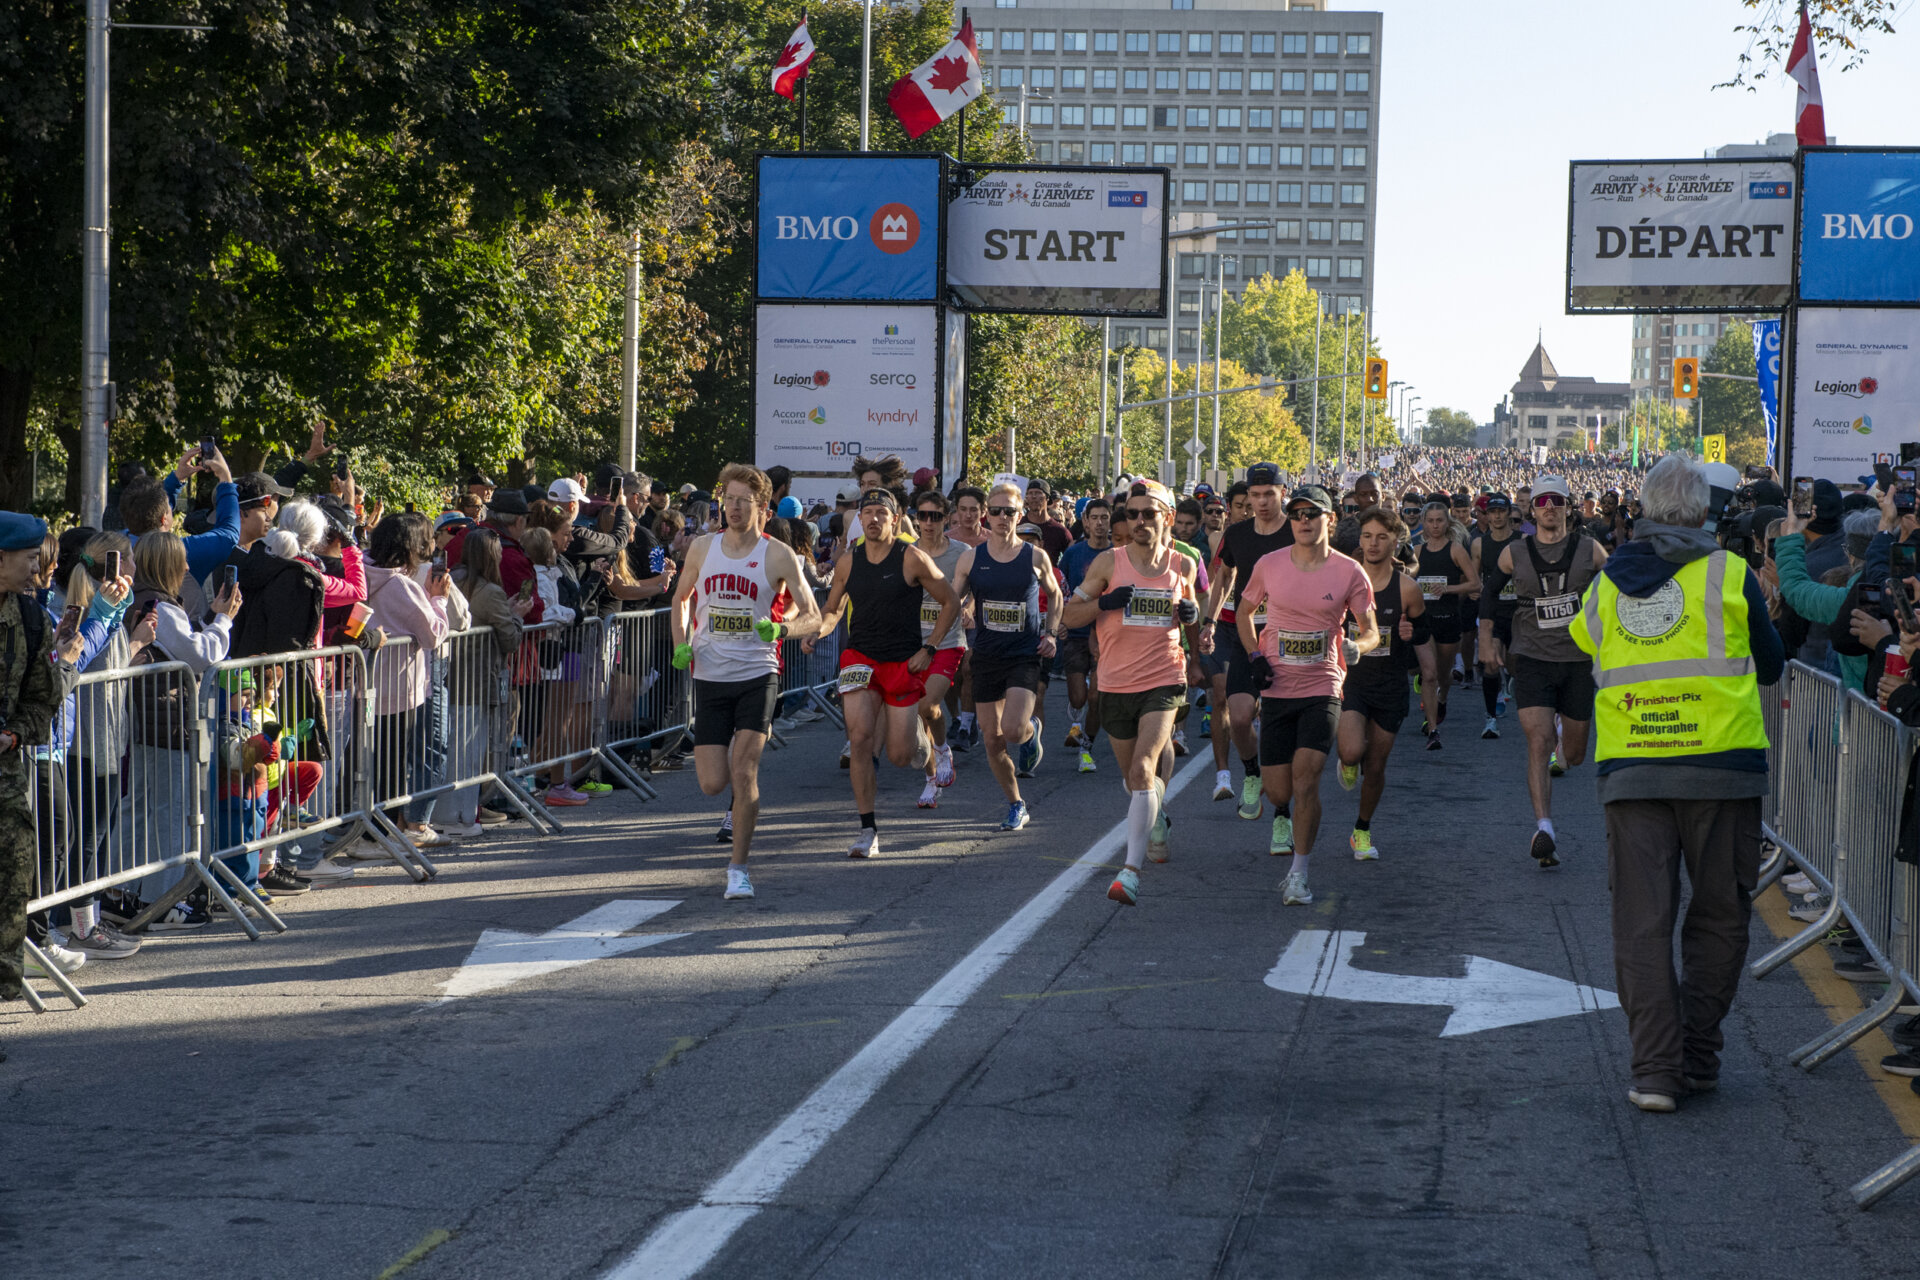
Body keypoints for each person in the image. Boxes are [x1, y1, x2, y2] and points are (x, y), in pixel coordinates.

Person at [1571, 453, 1783, 1113]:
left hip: (1634, 770)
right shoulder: (1730, 573)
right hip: (1721, 767)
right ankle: (1696, 1057)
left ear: (1644, 509)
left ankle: (1656, 1071)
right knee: (1719, 917)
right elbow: (1771, 665)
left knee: (1641, 924)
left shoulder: (1606, 584)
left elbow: (1586, 645)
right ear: (1702, 512)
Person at [671, 465, 824, 898]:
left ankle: (738, 869)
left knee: (744, 771)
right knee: (712, 783)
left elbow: (812, 615)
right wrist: (681, 642)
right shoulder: (702, 548)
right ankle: (736, 807)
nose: (734, 508)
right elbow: (680, 599)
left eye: (743, 501)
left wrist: (782, 630)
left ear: (762, 508)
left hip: (758, 673)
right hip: (710, 675)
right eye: (729, 499)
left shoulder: (778, 554)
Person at [1059, 481, 1206, 906]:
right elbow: (1069, 614)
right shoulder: (1109, 563)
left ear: (1167, 518)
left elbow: (1191, 616)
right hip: (1115, 682)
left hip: (1164, 677)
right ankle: (1156, 816)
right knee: (1134, 781)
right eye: (1133, 514)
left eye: (1149, 513)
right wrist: (1105, 604)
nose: (1139, 521)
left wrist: (1193, 626)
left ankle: (1130, 872)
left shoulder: (1183, 564)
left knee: (1143, 768)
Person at [1238, 484, 1377, 905]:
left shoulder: (1350, 571)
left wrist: (1359, 646)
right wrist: (1254, 655)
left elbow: (1370, 630)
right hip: (1278, 687)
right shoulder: (1270, 564)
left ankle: (1298, 874)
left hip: (1323, 685)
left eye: (1311, 514)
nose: (1302, 521)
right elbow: (1244, 612)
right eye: (1297, 514)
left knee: (1306, 780)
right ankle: (1280, 810)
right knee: (1280, 791)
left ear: (1329, 520)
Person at [804, 490, 958, 858]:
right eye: (867, 512)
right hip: (860, 659)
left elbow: (950, 601)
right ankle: (867, 830)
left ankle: (925, 743)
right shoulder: (849, 561)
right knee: (859, 738)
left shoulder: (912, 558)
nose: (873, 519)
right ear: (859, 519)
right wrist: (817, 631)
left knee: (901, 755)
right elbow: (833, 609)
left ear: (895, 519)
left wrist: (929, 648)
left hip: (902, 662)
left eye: (881, 513)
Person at [1500, 474, 1608, 869]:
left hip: (1578, 660)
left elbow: (1616, 591)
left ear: (1568, 507)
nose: (1549, 507)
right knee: (1538, 742)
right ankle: (1544, 828)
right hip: (1532, 657)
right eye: (1542, 501)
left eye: (1556, 501)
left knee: (1574, 755)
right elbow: (1491, 596)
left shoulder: (1591, 549)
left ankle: (1564, 734)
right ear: (1532, 509)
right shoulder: (1514, 552)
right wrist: (1489, 637)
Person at [2, 514, 83, 1028]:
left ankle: (5, 985)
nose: (38, 568)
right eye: (30, 557)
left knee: (15, 871)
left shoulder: (30, 618)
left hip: (5, 770)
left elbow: (43, 697)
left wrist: (14, 734)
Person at [949, 481, 1062, 831]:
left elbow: (1056, 596)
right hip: (986, 655)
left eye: (1009, 512)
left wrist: (1051, 633)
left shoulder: (1034, 556)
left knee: (1012, 730)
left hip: (1023, 654)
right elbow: (953, 599)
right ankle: (1016, 804)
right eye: (995, 511)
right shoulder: (972, 558)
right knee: (992, 739)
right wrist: (959, 612)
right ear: (987, 514)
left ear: (1019, 514)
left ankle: (1030, 732)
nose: (1002, 517)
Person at [1203, 462, 1294, 819]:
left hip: (1289, 636)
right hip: (1247, 634)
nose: (1262, 502)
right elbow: (1225, 574)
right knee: (1240, 717)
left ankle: (1282, 806)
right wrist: (1210, 621)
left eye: (1269, 494)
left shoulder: (1296, 531)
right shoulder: (1238, 533)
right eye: (1255, 495)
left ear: (1283, 493)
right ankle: (1252, 772)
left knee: (1277, 724)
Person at [1336, 507, 1426, 860]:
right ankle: (1347, 761)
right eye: (1367, 536)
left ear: (1395, 542)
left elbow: (1423, 636)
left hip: (1390, 685)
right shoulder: (1343, 580)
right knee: (1351, 751)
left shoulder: (1408, 588)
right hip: (1352, 681)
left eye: (1382, 537)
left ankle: (1361, 829)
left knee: (1375, 766)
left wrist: (1410, 634)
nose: (1373, 544)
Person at [907, 490, 965, 809]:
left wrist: (969, 607)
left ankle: (942, 747)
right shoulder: (907, 553)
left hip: (947, 641)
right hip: (910, 642)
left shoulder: (962, 552)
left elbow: (974, 588)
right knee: (918, 713)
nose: (929, 523)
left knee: (927, 704)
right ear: (916, 518)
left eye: (936, 516)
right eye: (923, 516)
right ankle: (931, 779)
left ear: (947, 518)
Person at [1412, 502, 1479, 749]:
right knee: (1429, 675)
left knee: (1443, 674)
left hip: (1449, 619)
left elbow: (1475, 584)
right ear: (1424, 523)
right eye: (1430, 521)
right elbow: (1406, 581)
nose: (1435, 525)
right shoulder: (1416, 551)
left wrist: (1447, 589)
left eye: (1439, 520)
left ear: (1447, 522)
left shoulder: (1456, 550)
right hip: (1424, 620)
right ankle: (1433, 729)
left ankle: (1442, 699)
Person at [1057, 497, 1112, 772]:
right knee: (1079, 697)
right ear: (1086, 522)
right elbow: (1062, 591)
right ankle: (1076, 717)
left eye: (1105, 517)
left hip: (1106, 634)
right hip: (1076, 633)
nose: (1100, 523)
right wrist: (1060, 622)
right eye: (1095, 518)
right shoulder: (1073, 553)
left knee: (1096, 697)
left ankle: (1086, 749)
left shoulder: (1117, 554)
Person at [1472, 493, 1523, 739]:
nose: (1497, 516)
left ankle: (1508, 682)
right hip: (1492, 610)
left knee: (1514, 663)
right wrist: (1476, 591)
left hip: (1519, 611)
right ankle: (1490, 718)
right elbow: (1474, 578)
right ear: (1487, 515)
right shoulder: (1479, 544)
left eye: (1501, 511)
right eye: (1492, 512)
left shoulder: (1522, 541)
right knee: (1491, 662)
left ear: (1508, 513)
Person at [1024, 478, 1073, 561]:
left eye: (1038, 493)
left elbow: (1071, 561)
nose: (1033, 496)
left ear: (1047, 498)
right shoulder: (1018, 526)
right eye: (1030, 493)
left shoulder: (1060, 531)